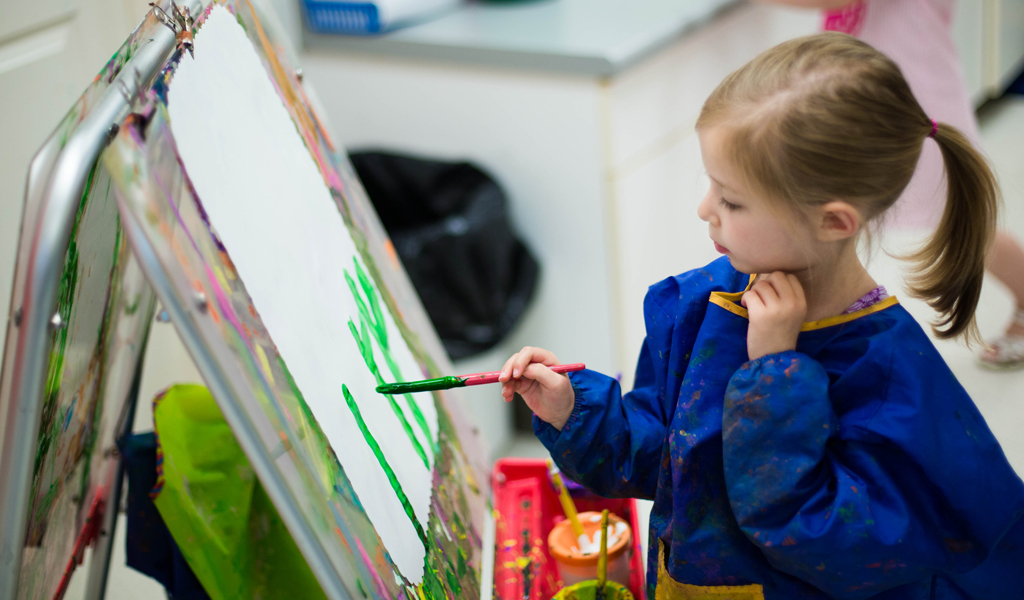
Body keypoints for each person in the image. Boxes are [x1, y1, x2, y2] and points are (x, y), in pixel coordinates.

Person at [499, 34, 1024, 599]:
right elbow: (668, 461)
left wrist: (774, 374)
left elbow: (818, 538)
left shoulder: (893, 377)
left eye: (731, 200)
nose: (704, 210)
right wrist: (574, 411)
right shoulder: (708, 303)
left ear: (833, 221)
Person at [771, 0, 1024, 368]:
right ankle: (818, 331)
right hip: (862, 93)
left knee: (959, 221)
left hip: (910, 99)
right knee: (829, 217)